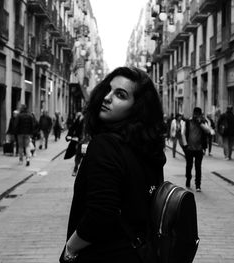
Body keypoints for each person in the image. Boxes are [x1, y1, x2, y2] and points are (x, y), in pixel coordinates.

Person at [60, 67, 166, 263]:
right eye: (108, 90)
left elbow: (100, 214)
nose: (107, 98)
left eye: (120, 95)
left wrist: (70, 249)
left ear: (137, 107)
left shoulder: (105, 145)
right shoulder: (148, 150)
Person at [181, 107, 211, 192]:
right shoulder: (187, 122)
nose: (196, 116)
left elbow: (208, 131)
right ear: (193, 114)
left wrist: (200, 123)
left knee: (198, 167)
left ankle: (198, 185)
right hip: (189, 148)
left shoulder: (202, 122)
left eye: (198, 114)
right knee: (189, 166)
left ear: (200, 115)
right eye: (195, 114)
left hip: (199, 149)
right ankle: (188, 180)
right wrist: (185, 145)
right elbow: (183, 132)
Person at [65, 111, 85, 177]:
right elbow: (73, 127)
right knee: (78, 154)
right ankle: (76, 168)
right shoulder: (80, 118)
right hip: (80, 140)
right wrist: (69, 135)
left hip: (88, 140)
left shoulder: (92, 119)